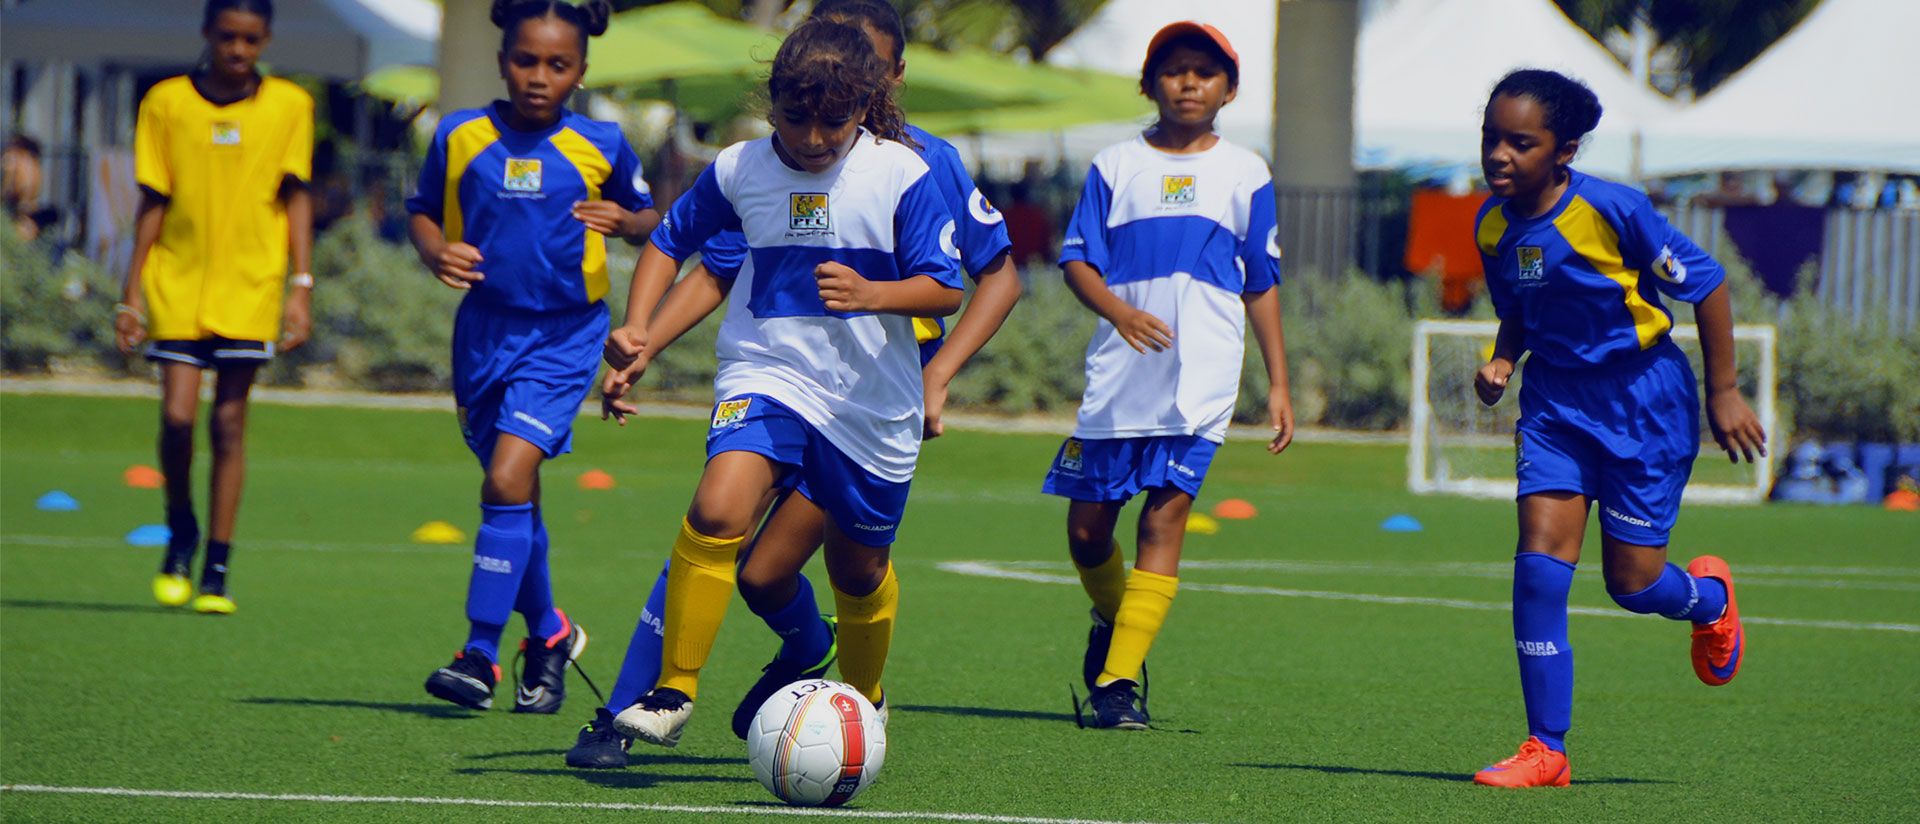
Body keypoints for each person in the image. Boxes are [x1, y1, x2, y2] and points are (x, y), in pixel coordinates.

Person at [566, 0, 1020, 768]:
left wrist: (905, 332)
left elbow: (960, 282)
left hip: (869, 403)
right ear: (773, 97)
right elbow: (687, 251)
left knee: (850, 569)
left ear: (875, 92)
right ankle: (668, 692)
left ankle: (861, 696)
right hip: (769, 375)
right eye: (795, 117)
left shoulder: (909, 169)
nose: (812, 139)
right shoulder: (743, 167)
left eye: (832, 121)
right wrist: (639, 332)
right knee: (716, 512)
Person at [1468, 69, 1763, 788]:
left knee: (1631, 584)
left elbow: (1709, 283)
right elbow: (1520, 305)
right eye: (1491, 138)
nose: (1499, 155)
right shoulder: (1492, 226)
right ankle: (1547, 749)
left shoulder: (1612, 209)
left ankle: (1710, 602)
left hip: (1644, 401)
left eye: (1520, 142)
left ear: (1563, 150)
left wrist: (1724, 391)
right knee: (1537, 568)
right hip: (1555, 406)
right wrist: (1505, 356)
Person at [406, 0, 658, 714]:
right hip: (482, 334)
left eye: (557, 64)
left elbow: (653, 219)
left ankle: (479, 654)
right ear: (501, 60)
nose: (539, 77)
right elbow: (421, 208)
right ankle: (548, 632)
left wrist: (627, 221)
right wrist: (434, 249)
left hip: (564, 336)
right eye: (526, 60)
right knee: (514, 492)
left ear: (580, 70)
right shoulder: (458, 136)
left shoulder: (602, 143)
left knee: (507, 477)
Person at [1043, 22, 1292, 730]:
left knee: (1165, 516)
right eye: (1175, 70)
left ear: (1229, 89)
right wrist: (1119, 312)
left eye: (1206, 72)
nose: (1190, 83)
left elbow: (1262, 280)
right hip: (1120, 374)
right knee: (1088, 532)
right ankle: (1114, 620)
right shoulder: (1115, 164)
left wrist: (1278, 382)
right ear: (1150, 83)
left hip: (1203, 377)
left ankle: (1118, 685)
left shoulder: (1247, 171)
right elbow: (1076, 260)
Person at [115, 0, 314, 616]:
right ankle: (181, 530)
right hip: (177, 279)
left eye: (250, 39)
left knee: (228, 422)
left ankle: (217, 568)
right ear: (207, 34)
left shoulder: (290, 105)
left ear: (265, 40)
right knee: (177, 419)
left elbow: (296, 197)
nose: (237, 49)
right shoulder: (167, 101)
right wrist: (131, 290)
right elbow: (153, 197)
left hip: (253, 282)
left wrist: (301, 285)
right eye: (227, 36)